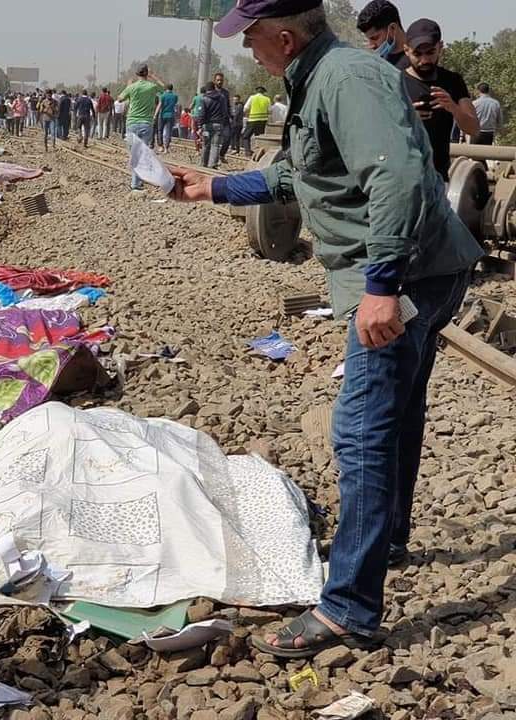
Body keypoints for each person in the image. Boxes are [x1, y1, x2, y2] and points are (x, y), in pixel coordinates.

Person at [170, 0, 483, 660]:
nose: (247, 49)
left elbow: (398, 175)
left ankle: (349, 610)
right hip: (425, 269)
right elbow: (300, 172)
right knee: (397, 411)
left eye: (251, 38)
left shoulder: (345, 79)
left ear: (284, 38)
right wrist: (211, 188)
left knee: (361, 429)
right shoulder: (319, 77)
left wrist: (381, 286)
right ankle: (385, 539)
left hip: (407, 275)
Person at [401, 19, 479, 181]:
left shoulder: (453, 81)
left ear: (440, 47)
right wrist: (406, 116)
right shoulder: (394, 81)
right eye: (417, 54)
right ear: (406, 50)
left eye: (430, 52)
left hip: (439, 177)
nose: (424, 60)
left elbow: (473, 129)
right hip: (402, 176)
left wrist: (454, 108)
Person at [118, 64, 165, 189]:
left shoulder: (132, 87)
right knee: (142, 154)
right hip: (146, 123)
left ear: (137, 74)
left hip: (131, 123)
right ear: (146, 74)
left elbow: (120, 99)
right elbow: (164, 89)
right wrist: (154, 76)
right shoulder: (152, 87)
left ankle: (136, 182)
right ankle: (137, 181)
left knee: (134, 154)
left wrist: (128, 86)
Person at [357, 0, 409, 69]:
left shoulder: (419, 57)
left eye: (375, 38)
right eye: (368, 39)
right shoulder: (379, 66)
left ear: (393, 28)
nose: (371, 45)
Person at [199, 82, 228, 168]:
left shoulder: (204, 99)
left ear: (207, 89)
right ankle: (213, 164)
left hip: (206, 126)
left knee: (205, 145)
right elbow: (224, 111)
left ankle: (203, 164)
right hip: (218, 125)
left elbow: (202, 114)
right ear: (214, 88)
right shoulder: (222, 97)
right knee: (215, 145)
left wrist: (200, 126)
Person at [242, 86, 271, 155]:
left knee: (246, 136)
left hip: (253, 120)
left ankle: (248, 152)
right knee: (259, 137)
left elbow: (245, 108)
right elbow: (270, 110)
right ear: (263, 92)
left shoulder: (252, 97)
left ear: (256, 91)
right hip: (263, 121)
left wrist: (247, 114)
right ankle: (259, 152)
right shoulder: (267, 99)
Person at [211, 73, 234, 159]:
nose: (220, 82)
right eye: (218, 80)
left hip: (225, 119)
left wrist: (231, 116)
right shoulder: (211, 92)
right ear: (214, 81)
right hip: (214, 119)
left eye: (221, 80)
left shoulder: (225, 93)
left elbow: (228, 105)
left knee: (227, 138)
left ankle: (221, 154)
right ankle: (212, 158)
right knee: (214, 140)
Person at [156, 83, 179, 153]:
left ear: (166, 88)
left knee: (160, 130)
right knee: (169, 131)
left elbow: (159, 105)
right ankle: (166, 148)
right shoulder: (175, 96)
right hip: (171, 115)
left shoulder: (162, 96)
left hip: (162, 115)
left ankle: (161, 146)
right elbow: (175, 104)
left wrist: (155, 114)